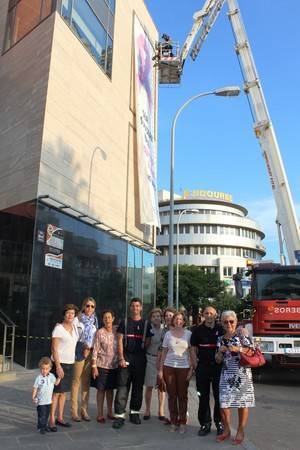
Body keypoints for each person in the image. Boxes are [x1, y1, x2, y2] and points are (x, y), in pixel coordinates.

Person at [215, 310, 255, 445]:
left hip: (242, 374)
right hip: (226, 375)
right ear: (221, 323)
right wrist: (220, 353)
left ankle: (240, 430)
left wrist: (239, 349)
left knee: (242, 403)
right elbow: (218, 360)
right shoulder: (220, 339)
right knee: (224, 404)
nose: (228, 324)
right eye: (225, 322)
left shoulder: (242, 336)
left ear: (236, 322)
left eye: (231, 321)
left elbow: (252, 352)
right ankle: (226, 429)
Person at [112, 297, 152, 429]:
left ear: (141, 308)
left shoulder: (146, 323)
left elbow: (148, 342)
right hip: (126, 358)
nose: (135, 308)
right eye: (133, 306)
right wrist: (121, 358)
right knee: (123, 387)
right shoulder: (124, 322)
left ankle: (134, 413)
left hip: (140, 359)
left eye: (137, 306)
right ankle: (119, 416)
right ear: (130, 308)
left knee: (138, 387)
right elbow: (119, 341)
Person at [158, 312, 194, 434]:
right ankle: (173, 422)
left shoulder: (189, 334)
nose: (178, 321)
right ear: (173, 321)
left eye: (181, 319)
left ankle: (182, 422)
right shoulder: (168, 334)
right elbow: (164, 352)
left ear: (184, 321)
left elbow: (192, 353)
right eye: (176, 319)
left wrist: (191, 369)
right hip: (169, 367)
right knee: (172, 396)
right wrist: (161, 370)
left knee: (183, 397)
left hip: (183, 367)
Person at [191, 306, 224, 437]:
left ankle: (219, 422)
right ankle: (205, 423)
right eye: (206, 313)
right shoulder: (197, 330)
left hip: (218, 368)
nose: (209, 315)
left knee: (219, 397)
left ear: (216, 315)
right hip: (202, 368)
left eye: (211, 313)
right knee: (203, 397)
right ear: (203, 314)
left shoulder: (221, 329)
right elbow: (193, 349)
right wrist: (195, 365)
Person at [49, 303, 79, 431]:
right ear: (64, 314)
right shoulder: (58, 328)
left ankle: (60, 418)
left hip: (70, 363)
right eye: (68, 313)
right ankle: (51, 420)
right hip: (59, 364)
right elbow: (54, 349)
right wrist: (58, 366)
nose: (70, 315)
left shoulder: (75, 327)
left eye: (72, 313)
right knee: (55, 393)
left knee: (64, 393)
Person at [71, 297, 98, 422]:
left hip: (90, 352)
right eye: (88, 305)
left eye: (92, 306)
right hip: (79, 351)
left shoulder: (95, 321)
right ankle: (74, 411)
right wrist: (83, 347)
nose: (90, 308)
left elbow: (96, 337)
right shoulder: (77, 320)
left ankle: (84, 409)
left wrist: (90, 349)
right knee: (76, 381)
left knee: (86, 382)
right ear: (83, 306)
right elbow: (73, 337)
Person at [91, 310, 118, 423]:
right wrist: (94, 366)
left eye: (109, 317)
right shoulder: (99, 332)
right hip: (101, 365)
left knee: (110, 390)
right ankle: (100, 414)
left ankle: (110, 412)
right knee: (101, 390)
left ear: (113, 318)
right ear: (102, 320)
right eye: (105, 318)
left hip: (114, 365)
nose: (107, 320)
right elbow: (95, 350)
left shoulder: (117, 331)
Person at [143, 308, 164, 420]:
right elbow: (145, 345)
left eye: (158, 316)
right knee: (149, 386)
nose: (157, 318)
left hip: (162, 360)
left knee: (161, 386)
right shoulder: (148, 328)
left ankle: (161, 410)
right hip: (150, 358)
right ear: (151, 318)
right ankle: (147, 409)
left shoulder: (164, 330)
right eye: (154, 316)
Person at [156, 306, 176, 424]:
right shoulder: (164, 331)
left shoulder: (179, 329)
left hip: (178, 364)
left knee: (177, 391)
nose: (168, 317)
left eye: (170, 315)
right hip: (166, 363)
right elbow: (161, 349)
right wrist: (159, 364)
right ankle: (171, 416)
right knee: (167, 389)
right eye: (166, 316)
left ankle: (182, 416)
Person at [32, 357, 61, 434]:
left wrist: (59, 377)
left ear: (50, 368)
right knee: (41, 415)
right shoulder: (38, 378)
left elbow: (56, 383)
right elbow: (35, 388)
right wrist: (33, 397)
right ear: (40, 368)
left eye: (46, 369)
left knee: (46, 415)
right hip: (40, 401)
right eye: (42, 369)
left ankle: (44, 426)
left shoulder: (51, 376)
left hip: (48, 401)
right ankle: (40, 427)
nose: (44, 371)